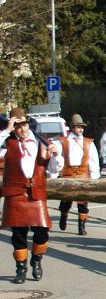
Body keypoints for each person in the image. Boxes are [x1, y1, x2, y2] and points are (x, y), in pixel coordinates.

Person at [1, 110, 61, 283]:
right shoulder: (7, 143)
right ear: (14, 128)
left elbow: (54, 170)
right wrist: (6, 130)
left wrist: (56, 155)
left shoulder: (41, 143)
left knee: (42, 231)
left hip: (36, 193)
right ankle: (21, 268)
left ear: (29, 125)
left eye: (24, 125)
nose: (22, 129)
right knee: (18, 235)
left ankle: (36, 261)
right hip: (16, 194)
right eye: (18, 126)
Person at [55, 113, 100, 235]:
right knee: (65, 202)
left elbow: (93, 161)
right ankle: (63, 217)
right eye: (78, 127)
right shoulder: (63, 142)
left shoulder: (88, 142)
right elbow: (57, 158)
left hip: (83, 175)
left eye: (82, 127)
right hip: (67, 174)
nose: (80, 129)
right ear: (73, 128)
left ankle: (81, 227)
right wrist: (54, 176)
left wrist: (94, 178)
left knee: (83, 203)